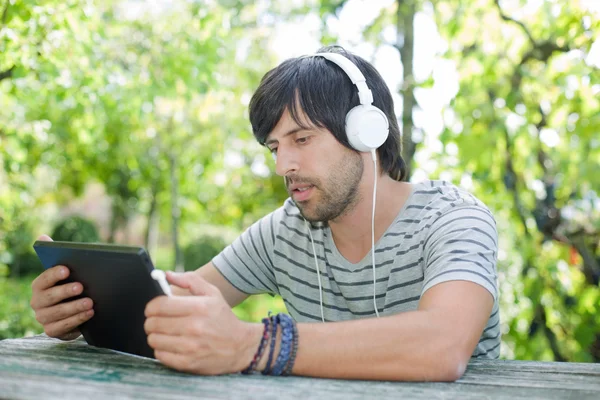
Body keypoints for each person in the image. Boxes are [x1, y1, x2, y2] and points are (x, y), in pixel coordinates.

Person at [29, 45, 499, 381]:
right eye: (274, 147)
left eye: (302, 139)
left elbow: (443, 345)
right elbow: (173, 305)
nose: (283, 165)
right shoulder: (286, 230)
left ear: (365, 135)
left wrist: (252, 344)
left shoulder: (454, 219)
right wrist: (85, 306)